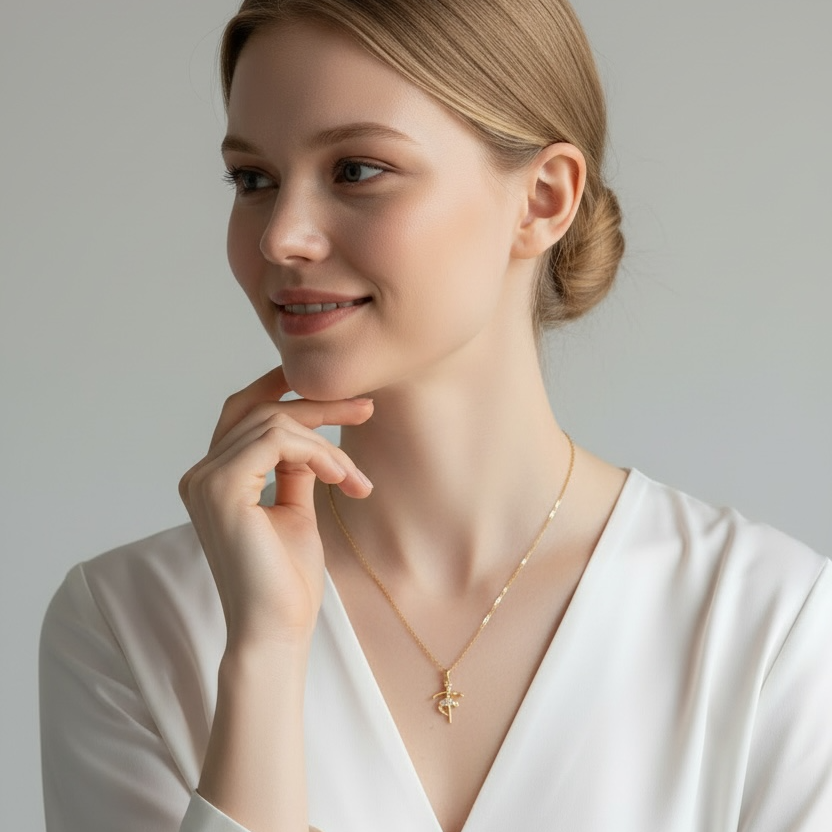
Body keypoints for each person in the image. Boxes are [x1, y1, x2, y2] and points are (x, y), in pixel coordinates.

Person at [39, 1, 832, 830]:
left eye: (356, 169)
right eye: (254, 180)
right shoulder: (129, 625)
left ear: (542, 199)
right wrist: (265, 661)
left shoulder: (771, 627)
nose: (282, 238)